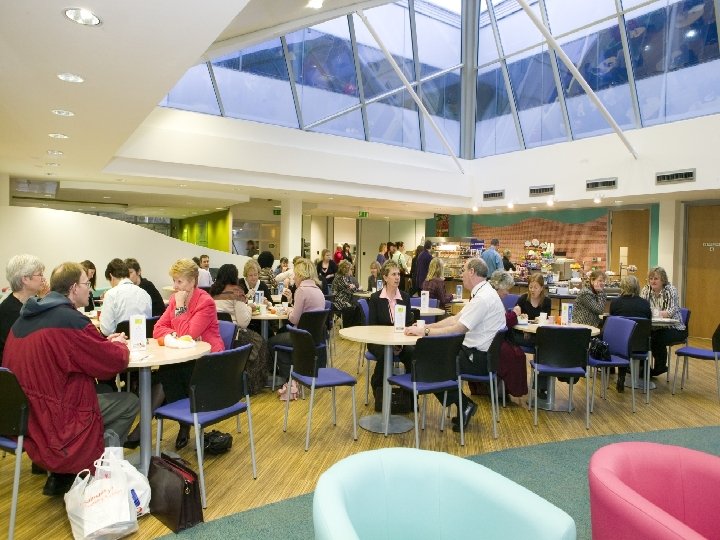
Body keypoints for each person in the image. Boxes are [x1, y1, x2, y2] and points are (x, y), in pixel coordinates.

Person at [4, 262, 138, 495]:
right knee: (129, 402)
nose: (90, 289)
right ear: (74, 288)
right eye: (87, 284)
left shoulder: (25, 318)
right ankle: (97, 469)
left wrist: (103, 344)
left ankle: (66, 473)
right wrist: (118, 345)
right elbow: (113, 363)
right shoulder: (70, 321)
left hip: (26, 417)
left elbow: (70, 353)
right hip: (59, 421)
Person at [405, 258, 505, 432]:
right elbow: (455, 319)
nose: (462, 274)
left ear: (472, 272)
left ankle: (464, 404)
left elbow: (458, 329)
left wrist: (425, 332)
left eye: (464, 270)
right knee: (430, 358)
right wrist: (427, 326)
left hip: (477, 359)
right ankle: (463, 404)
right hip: (479, 355)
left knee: (428, 363)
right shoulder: (484, 293)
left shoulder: (482, 298)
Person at [153, 259, 224, 449]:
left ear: (193, 281)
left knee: (170, 373)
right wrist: (176, 333)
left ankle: (181, 424)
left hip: (209, 361)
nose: (175, 286)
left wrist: (180, 306)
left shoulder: (205, 302)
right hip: (187, 358)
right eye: (174, 281)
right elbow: (158, 328)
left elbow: (187, 334)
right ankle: (183, 423)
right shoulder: (174, 299)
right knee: (167, 371)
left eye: (180, 281)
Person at [268, 258, 325, 399]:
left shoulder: (301, 290)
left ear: (301, 275)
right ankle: (293, 377)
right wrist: (291, 304)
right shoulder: (318, 291)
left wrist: (288, 311)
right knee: (282, 337)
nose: (294, 278)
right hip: (315, 337)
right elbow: (306, 315)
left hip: (300, 337)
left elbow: (294, 319)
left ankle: (289, 379)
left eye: (295, 275)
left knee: (272, 342)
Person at [210, 263, 269, 394]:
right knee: (261, 342)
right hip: (235, 335)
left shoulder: (213, 292)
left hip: (216, 335)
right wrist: (249, 308)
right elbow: (244, 323)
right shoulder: (237, 291)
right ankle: (251, 385)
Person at [367, 260, 415, 412]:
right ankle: (378, 389)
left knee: (412, 354)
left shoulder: (405, 297)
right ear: (385, 277)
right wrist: (390, 342)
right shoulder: (375, 298)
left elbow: (408, 323)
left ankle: (410, 396)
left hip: (401, 341)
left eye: (398, 274)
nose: (397, 277)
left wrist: (399, 343)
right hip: (378, 341)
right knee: (384, 354)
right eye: (393, 274)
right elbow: (373, 326)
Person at [488, 270, 528, 398]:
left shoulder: (493, 297)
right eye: (506, 289)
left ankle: (504, 389)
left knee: (517, 353)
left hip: (493, 337)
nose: (507, 293)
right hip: (491, 340)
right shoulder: (492, 299)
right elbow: (503, 321)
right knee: (515, 355)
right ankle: (506, 389)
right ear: (498, 286)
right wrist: (515, 313)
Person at [640, 266, 687, 377]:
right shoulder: (646, 290)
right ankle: (642, 368)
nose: (653, 281)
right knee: (641, 337)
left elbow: (670, 311)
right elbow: (642, 308)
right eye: (651, 278)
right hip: (655, 328)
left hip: (675, 328)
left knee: (656, 338)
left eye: (656, 278)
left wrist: (653, 313)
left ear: (663, 280)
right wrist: (655, 313)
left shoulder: (670, 290)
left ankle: (660, 367)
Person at [1, 254, 47, 363]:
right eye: (40, 274)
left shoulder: (25, 304)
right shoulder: (11, 312)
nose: (43, 278)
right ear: (25, 279)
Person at [609, 275, 652, 392]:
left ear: (622, 287)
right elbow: (649, 322)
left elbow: (613, 324)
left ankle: (621, 376)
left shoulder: (615, 303)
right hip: (640, 345)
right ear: (637, 287)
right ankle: (643, 374)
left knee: (622, 341)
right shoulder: (645, 304)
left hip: (620, 345)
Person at [99, 258, 152, 337]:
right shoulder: (145, 293)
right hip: (143, 340)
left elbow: (107, 330)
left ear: (111, 276)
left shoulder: (111, 294)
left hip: (120, 341)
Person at [239, 258, 273, 335]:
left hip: (260, 320)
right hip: (245, 320)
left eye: (255, 274)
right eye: (250, 275)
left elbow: (271, 303)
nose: (253, 277)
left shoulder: (262, 285)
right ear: (246, 275)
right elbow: (237, 304)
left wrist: (267, 303)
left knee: (269, 332)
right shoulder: (240, 284)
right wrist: (245, 298)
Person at [332, 260, 360, 327]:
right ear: (346, 270)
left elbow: (351, 287)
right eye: (350, 269)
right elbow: (351, 290)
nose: (351, 271)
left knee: (357, 308)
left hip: (345, 301)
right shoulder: (340, 278)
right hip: (339, 302)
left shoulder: (345, 277)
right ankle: (348, 328)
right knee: (353, 309)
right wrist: (355, 287)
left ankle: (352, 327)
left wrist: (353, 287)